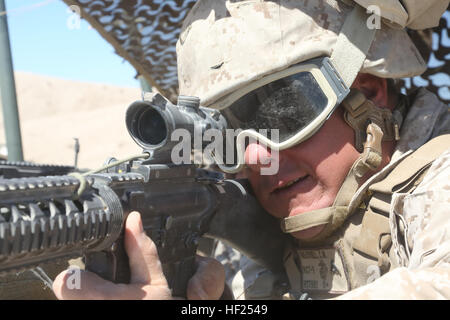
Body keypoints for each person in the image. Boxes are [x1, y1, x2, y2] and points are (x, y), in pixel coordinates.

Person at [53, 0, 450, 299]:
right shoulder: (274, 227)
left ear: (366, 90)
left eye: (282, 114)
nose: (257, 158)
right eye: (228, 134)